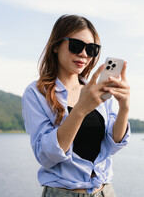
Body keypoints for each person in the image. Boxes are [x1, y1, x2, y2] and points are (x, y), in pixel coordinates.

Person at [22, 14, 131, 197]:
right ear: (56, 45)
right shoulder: (36, 93)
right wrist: (81, 109)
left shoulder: (96, 90)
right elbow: (46, 156)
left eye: (92, 49)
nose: (84, 54)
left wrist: (124, 108)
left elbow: (112, 145)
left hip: (105, 191)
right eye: (76, 46)